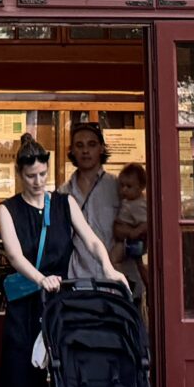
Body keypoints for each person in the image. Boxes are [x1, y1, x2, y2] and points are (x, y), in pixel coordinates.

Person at [0, 134, 119, 387]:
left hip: (57, 307)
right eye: (31, 176)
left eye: (43, 174)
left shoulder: (64, 204)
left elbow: (90, 238)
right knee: (19, 382)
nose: (38, 182)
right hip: (25, 307)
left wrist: (107, 266)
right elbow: (15, 255)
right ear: (19, 174)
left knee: (51, 384)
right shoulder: (8, 209)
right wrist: (40, 277)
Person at [63, 123, 123, 293]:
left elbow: (139, 225)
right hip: (77, 281)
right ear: (72, 150)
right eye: (79, 145)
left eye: (92, 144)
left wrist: (123, 246)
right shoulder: (62, 193)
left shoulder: (117, 187)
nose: (85, 151)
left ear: (102, 149)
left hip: (115, 281)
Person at [111, 162, 150, 308]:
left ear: (140, 187)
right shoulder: (128, 201)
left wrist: (134, 232)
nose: (124, 190)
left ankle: (124, 280)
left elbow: (147, 223)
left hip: (131, 242)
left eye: (129, 186)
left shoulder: (139, 204)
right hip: (127, 240)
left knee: (113, 257)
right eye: (122, 186)